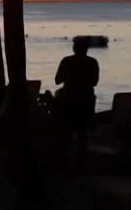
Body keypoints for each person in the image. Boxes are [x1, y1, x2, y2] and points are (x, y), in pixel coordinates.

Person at [54, 41, 99, 171]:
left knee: (65, 132)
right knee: (82, 133)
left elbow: (57, 80)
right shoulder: (93, 62)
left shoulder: (67, 61)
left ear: (74, 49)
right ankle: (81, 162)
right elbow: (95, 82)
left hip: (69, 101)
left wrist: (70, 76)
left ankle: (64, 163)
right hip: (86, 101)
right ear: (87, 50)